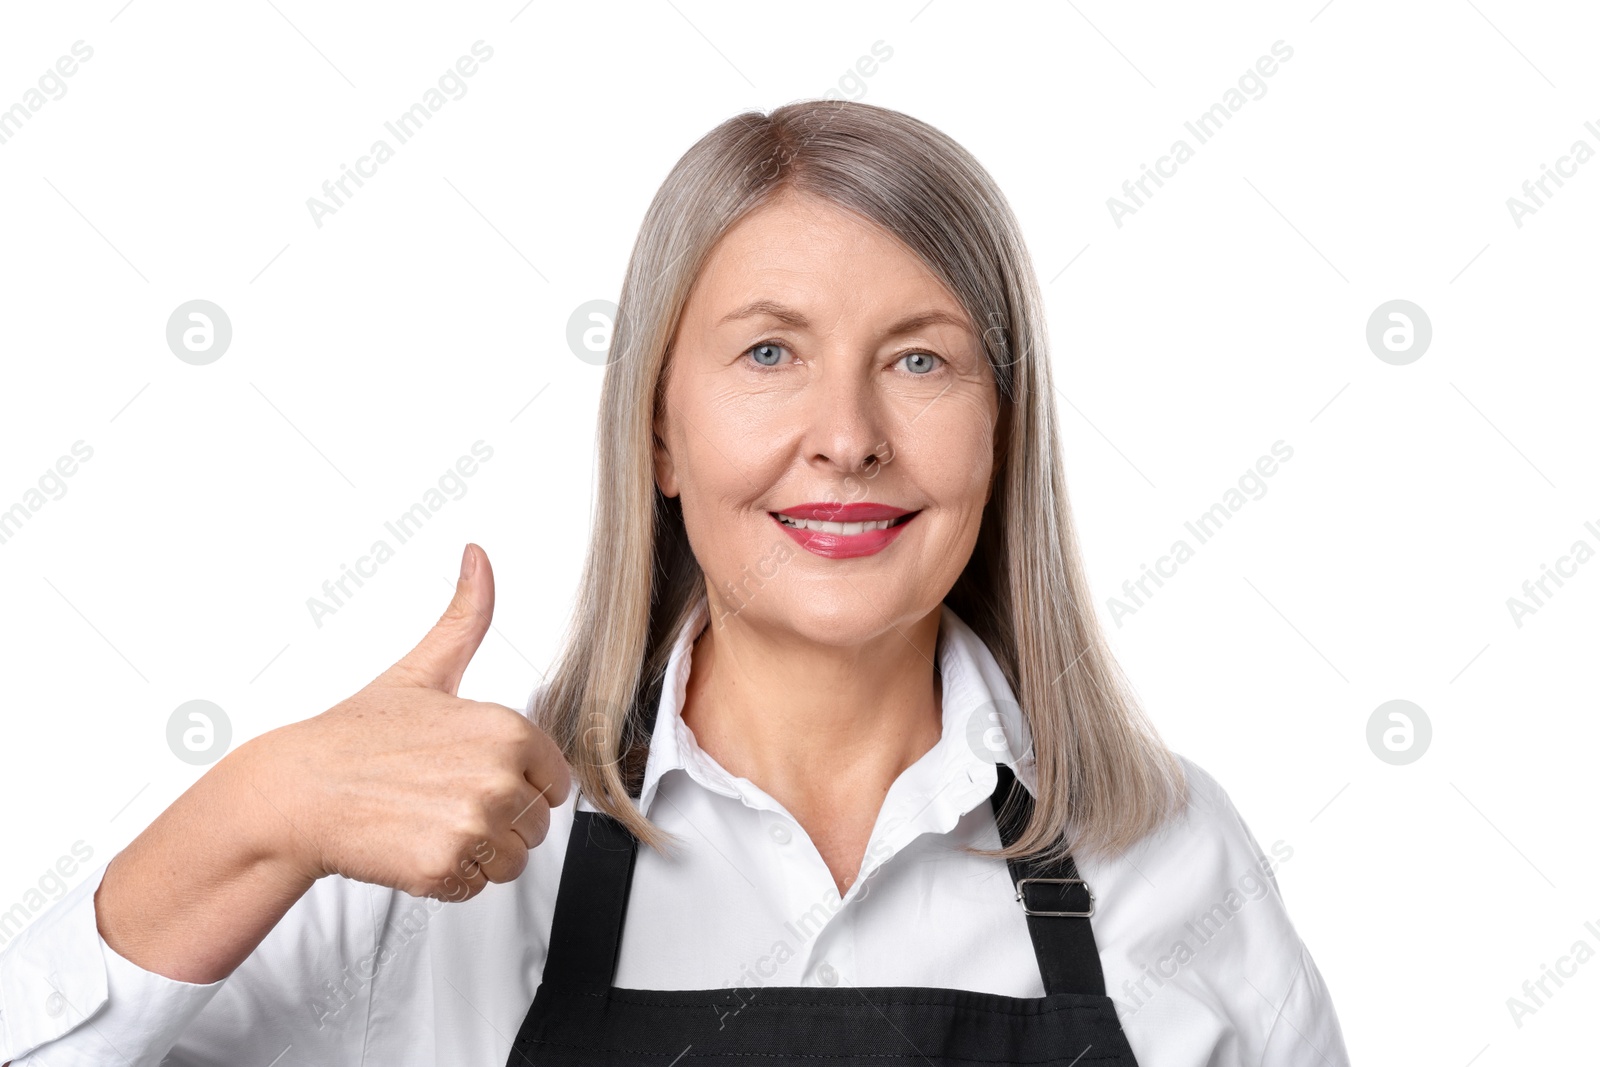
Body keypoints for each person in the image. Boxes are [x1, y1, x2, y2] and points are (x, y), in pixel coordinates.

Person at [0, 99, 1349, 1066]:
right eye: (770, 353)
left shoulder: (1166, 861)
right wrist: (259, 809)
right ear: (656, 427)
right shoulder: (433, 854)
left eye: (921, 360)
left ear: (1005, 429)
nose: (848, 433)